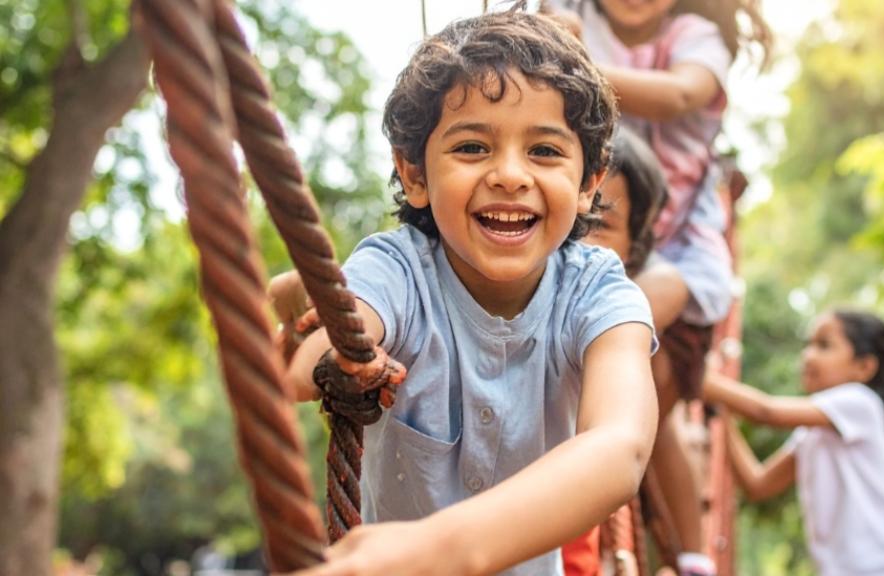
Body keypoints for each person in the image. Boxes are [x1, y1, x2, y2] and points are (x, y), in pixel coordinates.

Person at [270, 6, 660, 576]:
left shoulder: (596, 290)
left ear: (588, 184)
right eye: (472, 147)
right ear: (414, 175)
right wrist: (310, 316)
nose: (509, 174)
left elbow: (619, 447)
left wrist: (439, 552)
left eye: (545, 151)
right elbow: (317, 361)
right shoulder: (397, 268)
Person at [546, 2, 771, 574]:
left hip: (677, 250)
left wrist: (572, 61)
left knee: (627, 328)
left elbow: (676, 95)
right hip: (593, 234)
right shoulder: (571, 13)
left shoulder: (694, 37)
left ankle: (690, 557)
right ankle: (688, 554)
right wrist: (556, 35)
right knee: (648, 406)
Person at [703, 310, 884, 576]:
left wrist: (700, 377)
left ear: (864, 367)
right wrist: (721, 411)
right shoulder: (810, 434)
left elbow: (768, 412)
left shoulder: (861, 402)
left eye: (824, 345)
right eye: (808, 345)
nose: (808, 355)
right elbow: (758, 484)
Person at [562, 128, 667, 576]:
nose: (577, 242)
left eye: (598, 225)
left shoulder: (613, 329)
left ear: (632, 252)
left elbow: (619, 449)